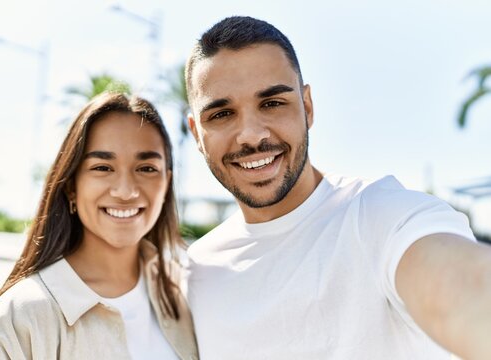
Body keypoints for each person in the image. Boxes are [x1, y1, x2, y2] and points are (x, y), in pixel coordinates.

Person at [184, 16, 491, 360]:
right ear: (196, 133)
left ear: (307, 107)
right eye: (222, 114)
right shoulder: (194, 273)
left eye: (272, 103)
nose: (252, 135)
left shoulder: (379, 217)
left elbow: (461, 287)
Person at [0, 93, 198, 360]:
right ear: (72, 186)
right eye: (103, 167)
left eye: (146, 168)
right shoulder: (21, 317)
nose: (126, 191)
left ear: (166, 183)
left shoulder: (191, 294)